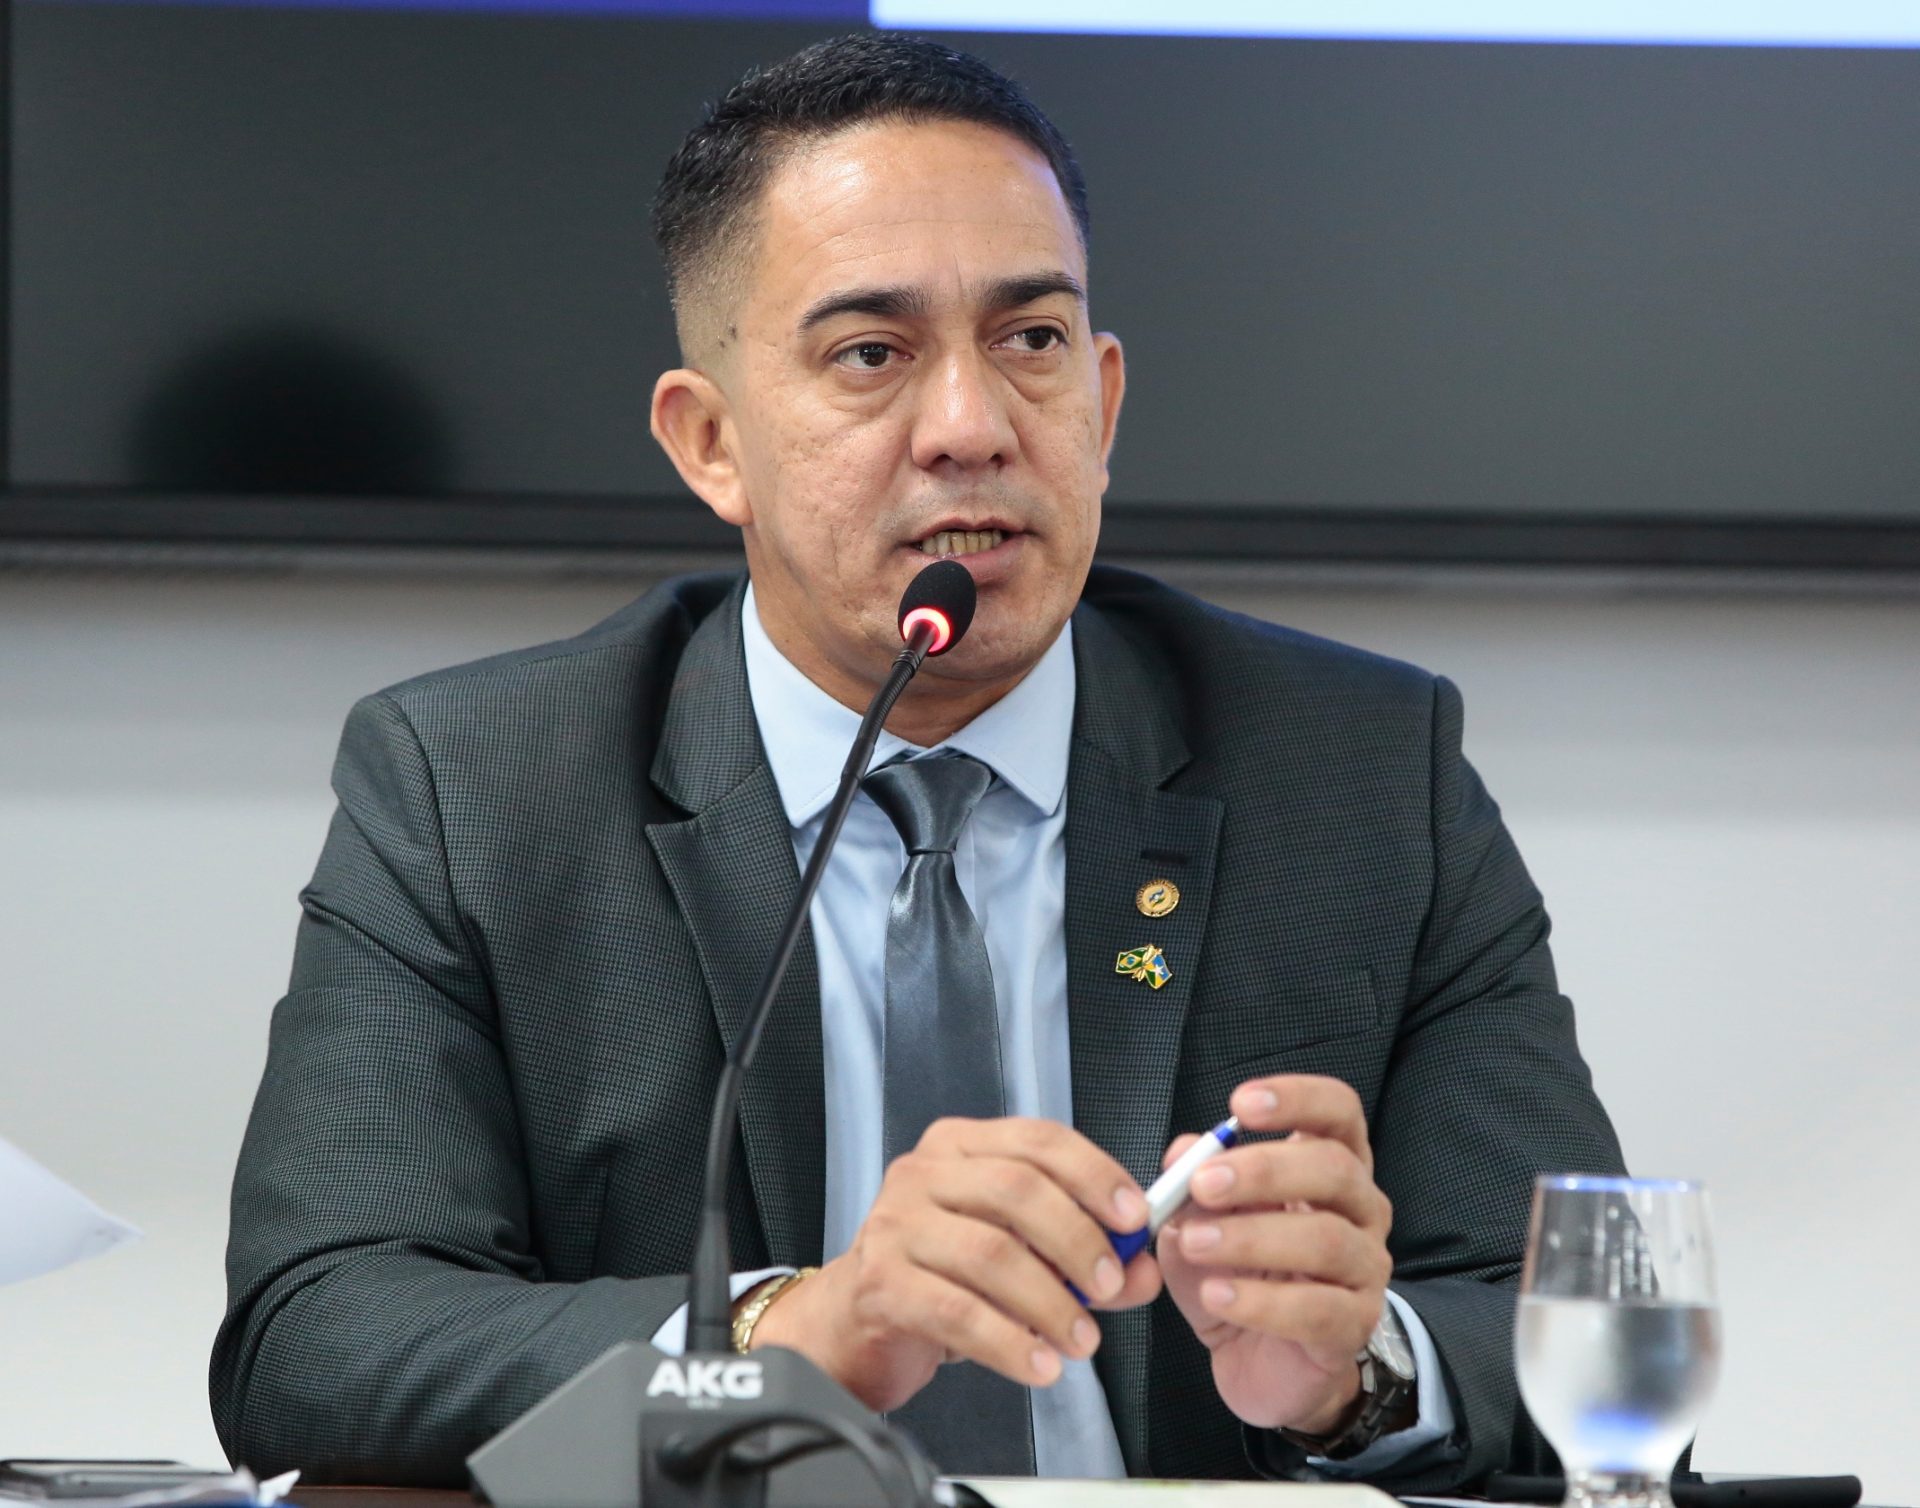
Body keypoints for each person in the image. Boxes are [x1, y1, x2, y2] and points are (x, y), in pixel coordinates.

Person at [211, 33, 1624, 1490]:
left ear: (1104, 404)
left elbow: (1600, 1335)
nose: (970, 428)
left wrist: (1357, 1370)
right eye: (871, 355)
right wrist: (795, 1333)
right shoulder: (474, 786)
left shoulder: (1359, 773)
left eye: (1032, 341)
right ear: (711, 443)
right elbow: (314, 1342)